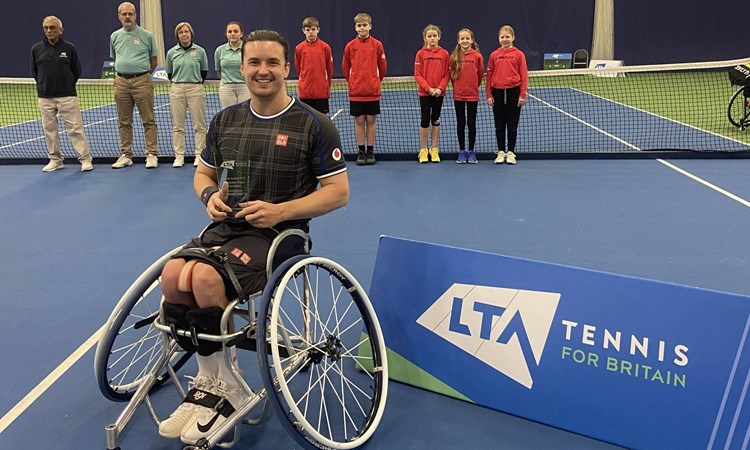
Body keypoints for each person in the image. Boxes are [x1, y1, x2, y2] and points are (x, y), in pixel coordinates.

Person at [157, 29, 349, 445]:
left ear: (286, 68)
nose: (263, 71)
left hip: (281, 235)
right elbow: (203, 174)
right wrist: (209, 196)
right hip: (229, 226)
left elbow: (338, 193)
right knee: (173, 275)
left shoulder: (314, 125)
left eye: (272, 63)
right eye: (255, 63)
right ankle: (213, 382)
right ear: (241, 67)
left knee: (204, 279)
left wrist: (280, 211)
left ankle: (227, 386)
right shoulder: (227, 119)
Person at [30, 15, 94, 172]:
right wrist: (44, 87)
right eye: (46, 28)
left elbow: (76, 70)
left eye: (52, 27)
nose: (49, 30)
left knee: (76, 129)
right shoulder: (36, 49)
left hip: (67, 96)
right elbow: (35, 72)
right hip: (45, 97)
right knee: (49, 131)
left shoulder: (70, 48)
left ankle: (85, 159)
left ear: (61, 30)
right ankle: (55, 160)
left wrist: (67, 85)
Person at [110, 1, 159, 169]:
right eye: (124, 14)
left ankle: (151, 154)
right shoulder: (114, 36)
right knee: (124, 121)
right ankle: (126, 155)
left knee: (148, 120)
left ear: (135, 15)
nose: (127, 17)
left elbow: (154, 61)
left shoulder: (147, 35)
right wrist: (125, 72)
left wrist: (140, 74)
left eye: (130, 14)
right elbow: (115, 58)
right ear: (119, 17)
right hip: (121, 82)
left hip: (142, 81)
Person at [342, 12, 387, 166]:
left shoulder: (377, 45)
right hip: (356, 92)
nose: (362, 28)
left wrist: (374, 81)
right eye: (359, 26)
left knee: (371, 120)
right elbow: (345, 66)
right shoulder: (350, 46)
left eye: (364, 25)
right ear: (355, 28)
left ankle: (370, 150)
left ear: (370, 26)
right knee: (359, 121)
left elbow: (382, 67)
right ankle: (361, 151)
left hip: (372, 92)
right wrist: (353, 81)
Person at [166, 22, 208, 168]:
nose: (184, 34)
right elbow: (170, 73)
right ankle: (179, 156)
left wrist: (193, 83)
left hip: (195, 89)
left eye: (186, 32)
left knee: (200, 125)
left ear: (191, 34)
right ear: (177, 35)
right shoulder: (171, 53)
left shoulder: (200, 51)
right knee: (178, 126)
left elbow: (204, 72)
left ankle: (199, 155)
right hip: (177, 89)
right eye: (181, 32)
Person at [486, 25, 527, 165]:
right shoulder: (494, 55)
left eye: (507, 37)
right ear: (499, 38)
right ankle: (501, 151)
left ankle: (510, 152)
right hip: (497, 92)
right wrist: (488, 94)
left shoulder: (519, 54)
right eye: (502, 37)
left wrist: (522, 94)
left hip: (514, 92)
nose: (505, 39)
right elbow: (489, 75)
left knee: (512, 124)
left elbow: (524, 75)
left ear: (513, 38)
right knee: (499, 124)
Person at [414, 24, 449, 164]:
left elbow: (447, 73)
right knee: (424, 119)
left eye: (435, 36)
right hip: (425, 94)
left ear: (439, 37)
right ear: (425, 38)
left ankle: (434, 149)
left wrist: (440, 88)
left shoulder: (444, 53)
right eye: (429, 36)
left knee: (436, 119)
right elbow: (418, 74)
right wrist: (428, 89)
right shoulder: (420, 54)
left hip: (439, 94)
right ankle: (423, 149)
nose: (432, 38)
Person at [450, 28, 484, 164]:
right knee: (460, 123)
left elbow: (480, 74)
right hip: (458, 95)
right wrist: (458, 87)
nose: (465, 41)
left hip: (472, 95)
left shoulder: (477, 56)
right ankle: (462, 151)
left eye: (467, 38)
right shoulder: (453, 57)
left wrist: (473, 86)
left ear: (471, 40)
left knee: (471, 123)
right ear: (458, 41)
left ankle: (471, 151)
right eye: (462, 38)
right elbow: (452, 76)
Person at [294, 16, 333, 114]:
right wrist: (304, 82)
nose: (310, 32)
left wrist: (325, 86)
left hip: (321, 93)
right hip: (305, 94)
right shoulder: (299, 48)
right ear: (303, 31)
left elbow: (329, 69)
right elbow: (299, 69)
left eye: (313, 29)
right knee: (306, 120)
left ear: (318, 30)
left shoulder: (325, 47)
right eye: (308, 30)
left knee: (322, 121)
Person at [214, 21, 250, 110]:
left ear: (241, 34)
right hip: (226, 88)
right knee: (228, 115)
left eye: (236, 31)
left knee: (245, 113)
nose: (232, 34)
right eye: (230, 32)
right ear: (226, 34)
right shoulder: (219, 50)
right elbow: (219, 71)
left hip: (245, 86)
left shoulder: (248, 48)